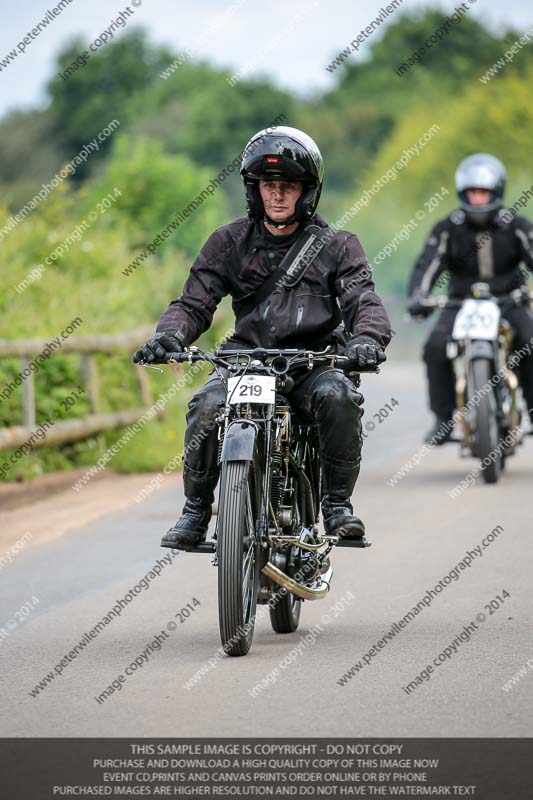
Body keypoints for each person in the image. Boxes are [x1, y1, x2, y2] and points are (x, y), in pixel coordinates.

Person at [133, 126, 392, 550]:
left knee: (339, 398)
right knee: (207, 404)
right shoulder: (228, 241)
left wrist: (366, 340)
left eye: (287, 186)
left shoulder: (339, 245)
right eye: (269, 185)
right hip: (247, 359)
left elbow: (363, 299)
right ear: (254, 190)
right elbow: (194, 303)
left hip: (314, 362)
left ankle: (336, 505)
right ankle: (196, 512)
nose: (277, 195)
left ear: (307, 192)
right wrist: (168, 336)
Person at [407, 153, 533, 443]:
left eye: (484, 192)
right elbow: (427, 264)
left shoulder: (516, 225)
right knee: (434, 348)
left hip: (508, 301)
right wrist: (418, 296)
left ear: (497, 192)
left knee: (529, 341)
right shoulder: (448, 228)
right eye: (473, 193)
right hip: (460, 304)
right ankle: (443, 418)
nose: (478, 199)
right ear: (463, 193)